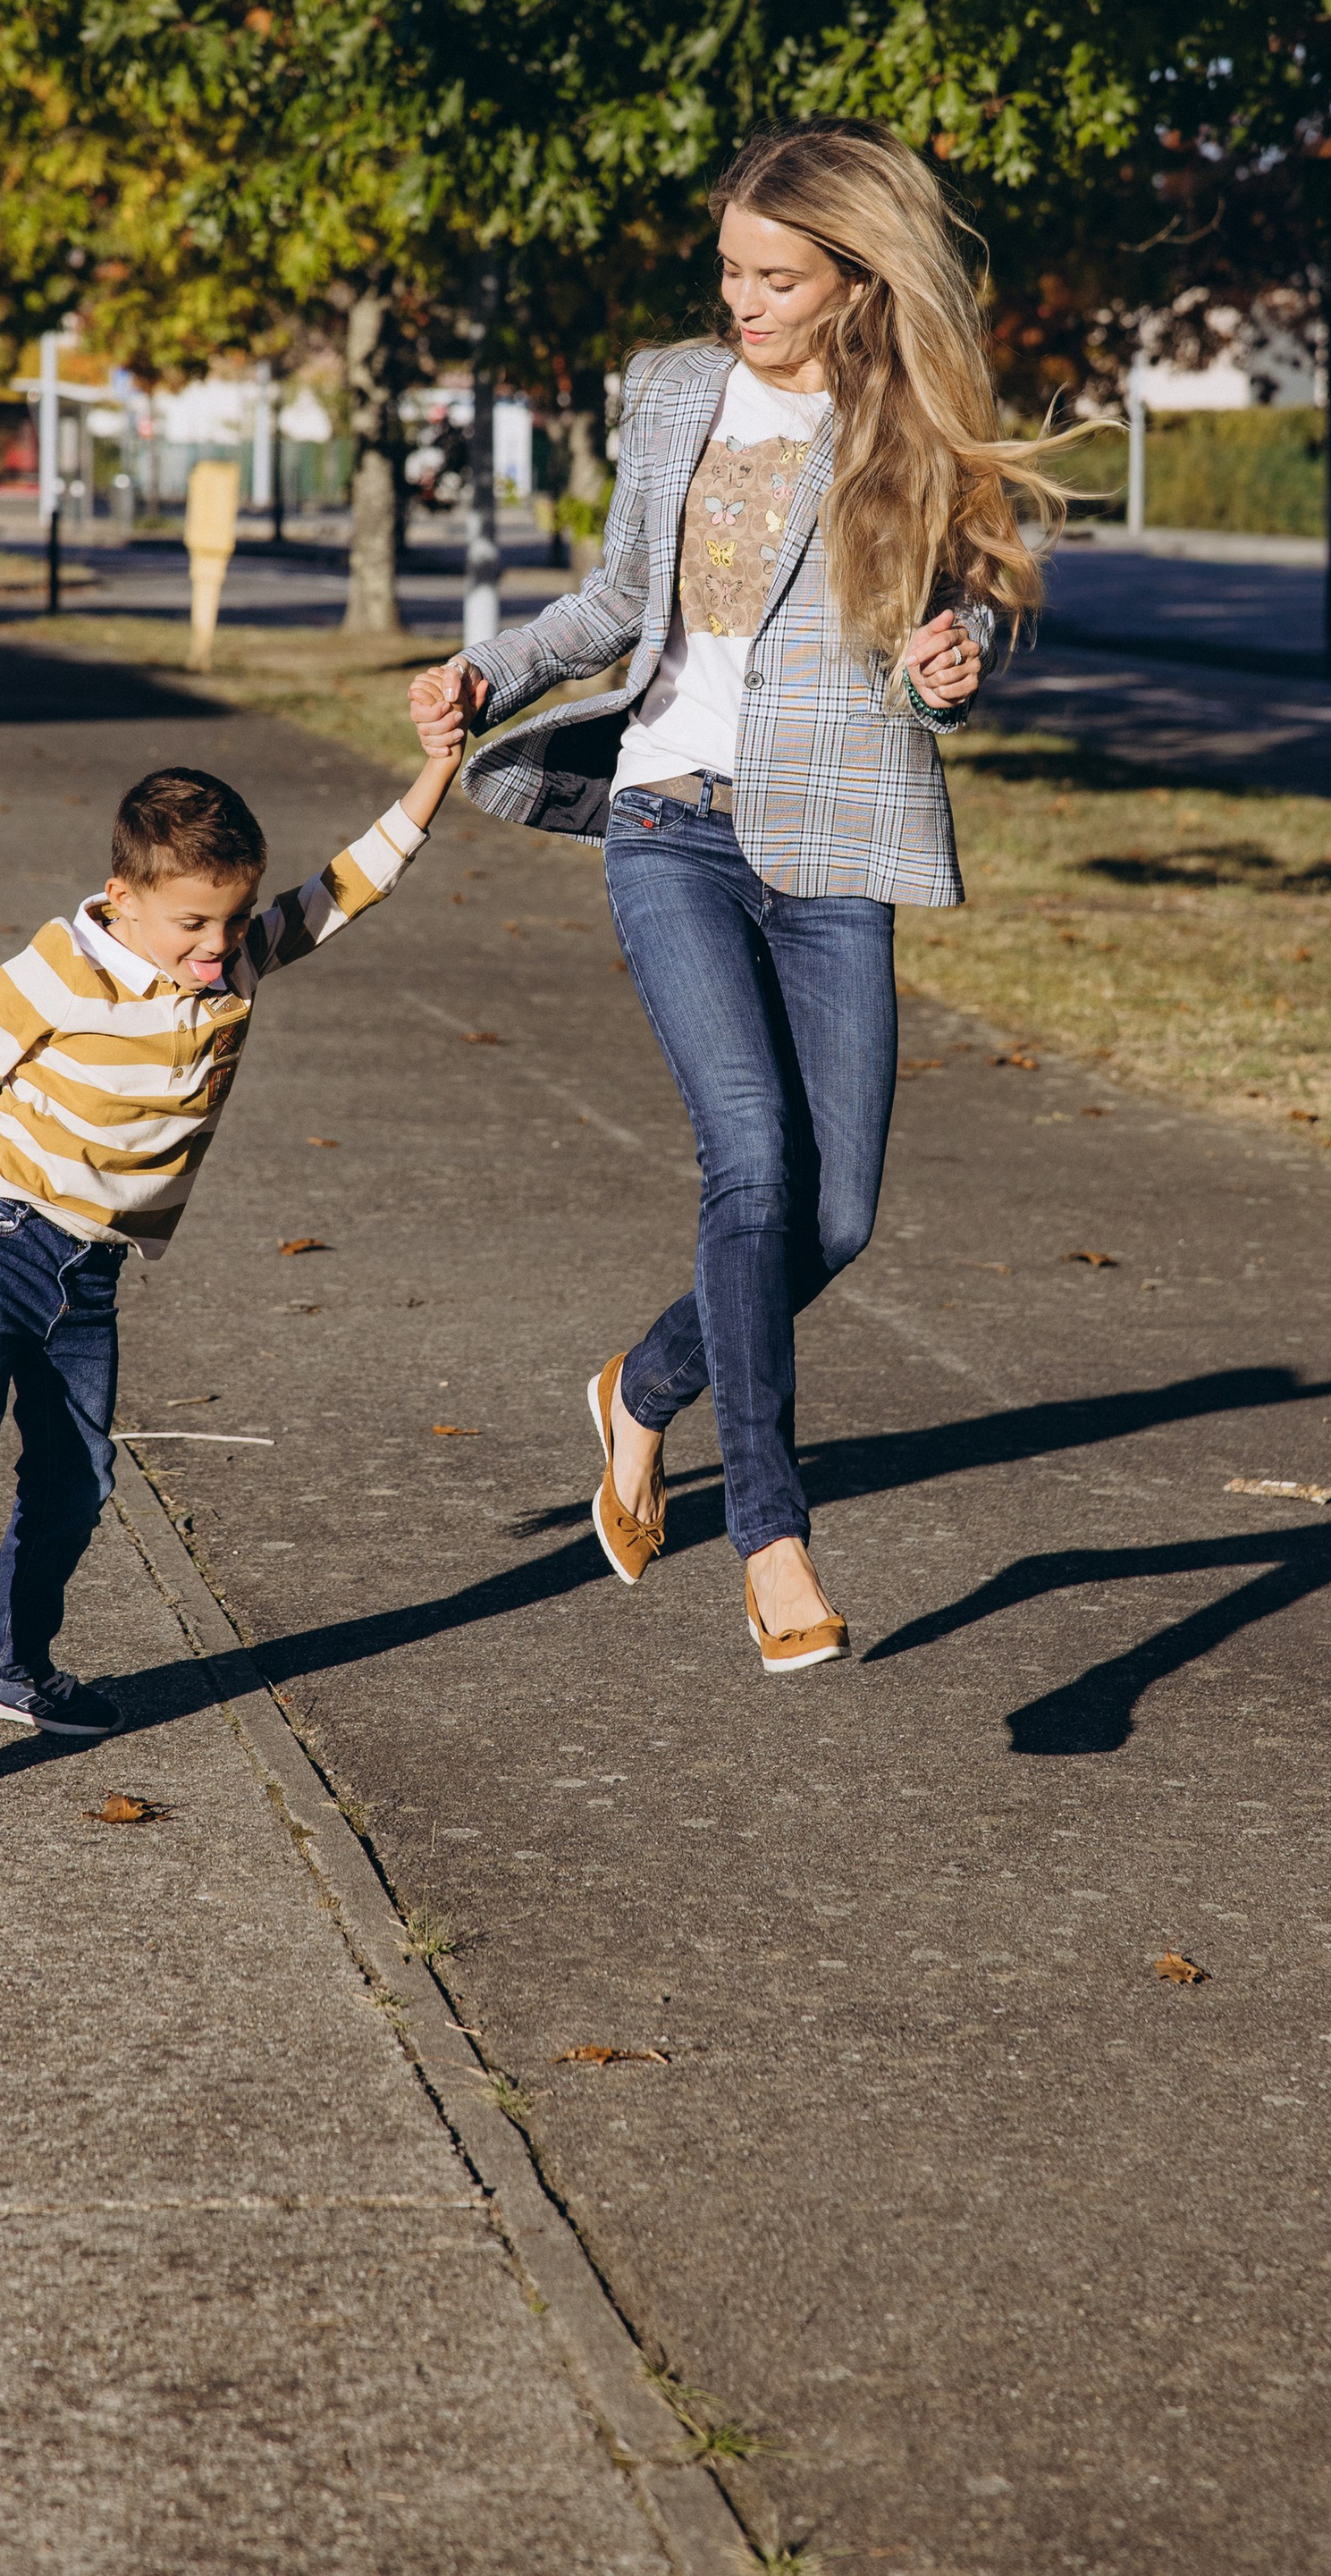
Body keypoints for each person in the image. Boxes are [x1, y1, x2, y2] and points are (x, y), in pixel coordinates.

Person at [412, 119, 1067, 1672]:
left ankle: (642, 1390)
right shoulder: (673, 391)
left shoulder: (918, 424)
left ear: (856, 277)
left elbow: (958, 628)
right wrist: (488, 667)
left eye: (778, 278)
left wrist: (945, 670)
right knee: (752, 1171)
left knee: (834, 1218)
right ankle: (770, 1530)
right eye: (731, 270)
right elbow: (621, 600)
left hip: (836, 838)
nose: (745, 302)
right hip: (669, 822)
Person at [0, 737, 466, 1811]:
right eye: (191, 925)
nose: (216, 948)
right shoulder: (58, 970)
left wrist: (436, 765)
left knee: (78, 1488)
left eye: (232, 919)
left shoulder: (238, 953)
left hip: (91, 1270)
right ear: (123, 899)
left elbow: (355, 881)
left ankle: (3, 1662)